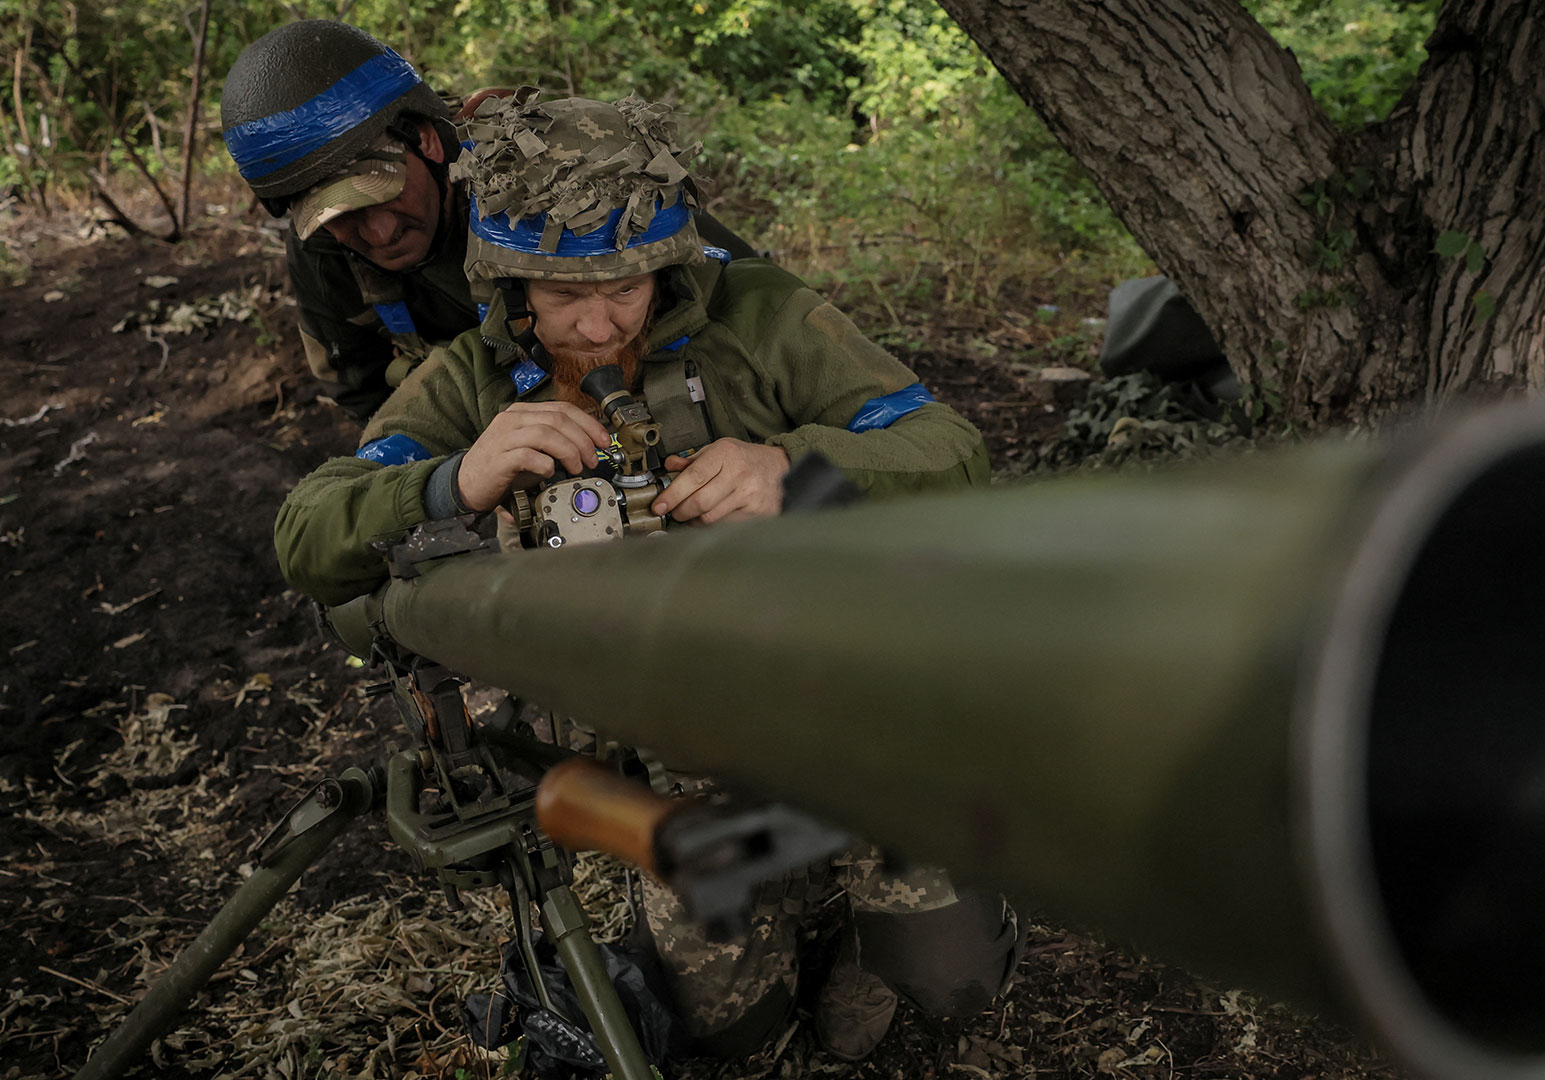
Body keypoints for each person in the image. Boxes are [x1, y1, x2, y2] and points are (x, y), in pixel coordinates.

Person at [273, 91, 1016, 1063]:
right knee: (726, 1032)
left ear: (667, 264)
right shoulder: (471, 380)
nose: (595, 323)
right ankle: (786, 892)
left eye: (626, 289)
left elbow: (950, 447)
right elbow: (308, 531)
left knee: (940, 987)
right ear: (507, 286)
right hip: (684, 758)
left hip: (851, 710)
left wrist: (790, 465)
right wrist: (454, 476)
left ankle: (881, 910)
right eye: (560, 295)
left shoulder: (758, 314)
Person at [219, 20, 755, 420]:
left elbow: (738, 285)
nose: (377, 235)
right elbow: (360, 391)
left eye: (384, 194)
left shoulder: (535, 173)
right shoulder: (323, 248)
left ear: (426, 140)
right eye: (341, 218)